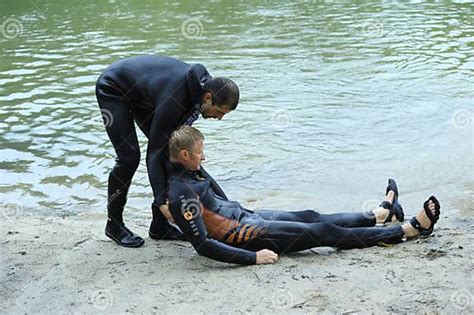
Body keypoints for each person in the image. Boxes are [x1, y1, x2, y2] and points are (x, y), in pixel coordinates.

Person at [165, 126, 441, 265]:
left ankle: (380, 215)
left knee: (310, 216)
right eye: (201, 152)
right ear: (186, 155)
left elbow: (220, 198)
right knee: (322, 232)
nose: (205, 156)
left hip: (248, 217)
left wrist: (245, 212)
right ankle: (408, 230)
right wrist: (253, 258)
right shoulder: (181, 195)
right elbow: (202, 245)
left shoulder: (193, 171)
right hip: (249, 236)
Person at [95, 55, 239, 247]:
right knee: (129, 157)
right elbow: (154, 153)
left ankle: (159, 226)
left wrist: (224, 204)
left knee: (174, 151)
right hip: (115, 88)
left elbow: (174, 149)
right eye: (219, 112)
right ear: (208, 98)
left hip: (145, 94)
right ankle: (114, 225)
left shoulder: (201, 94)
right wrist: (162, 201)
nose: (219, 118)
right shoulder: (176, 99)